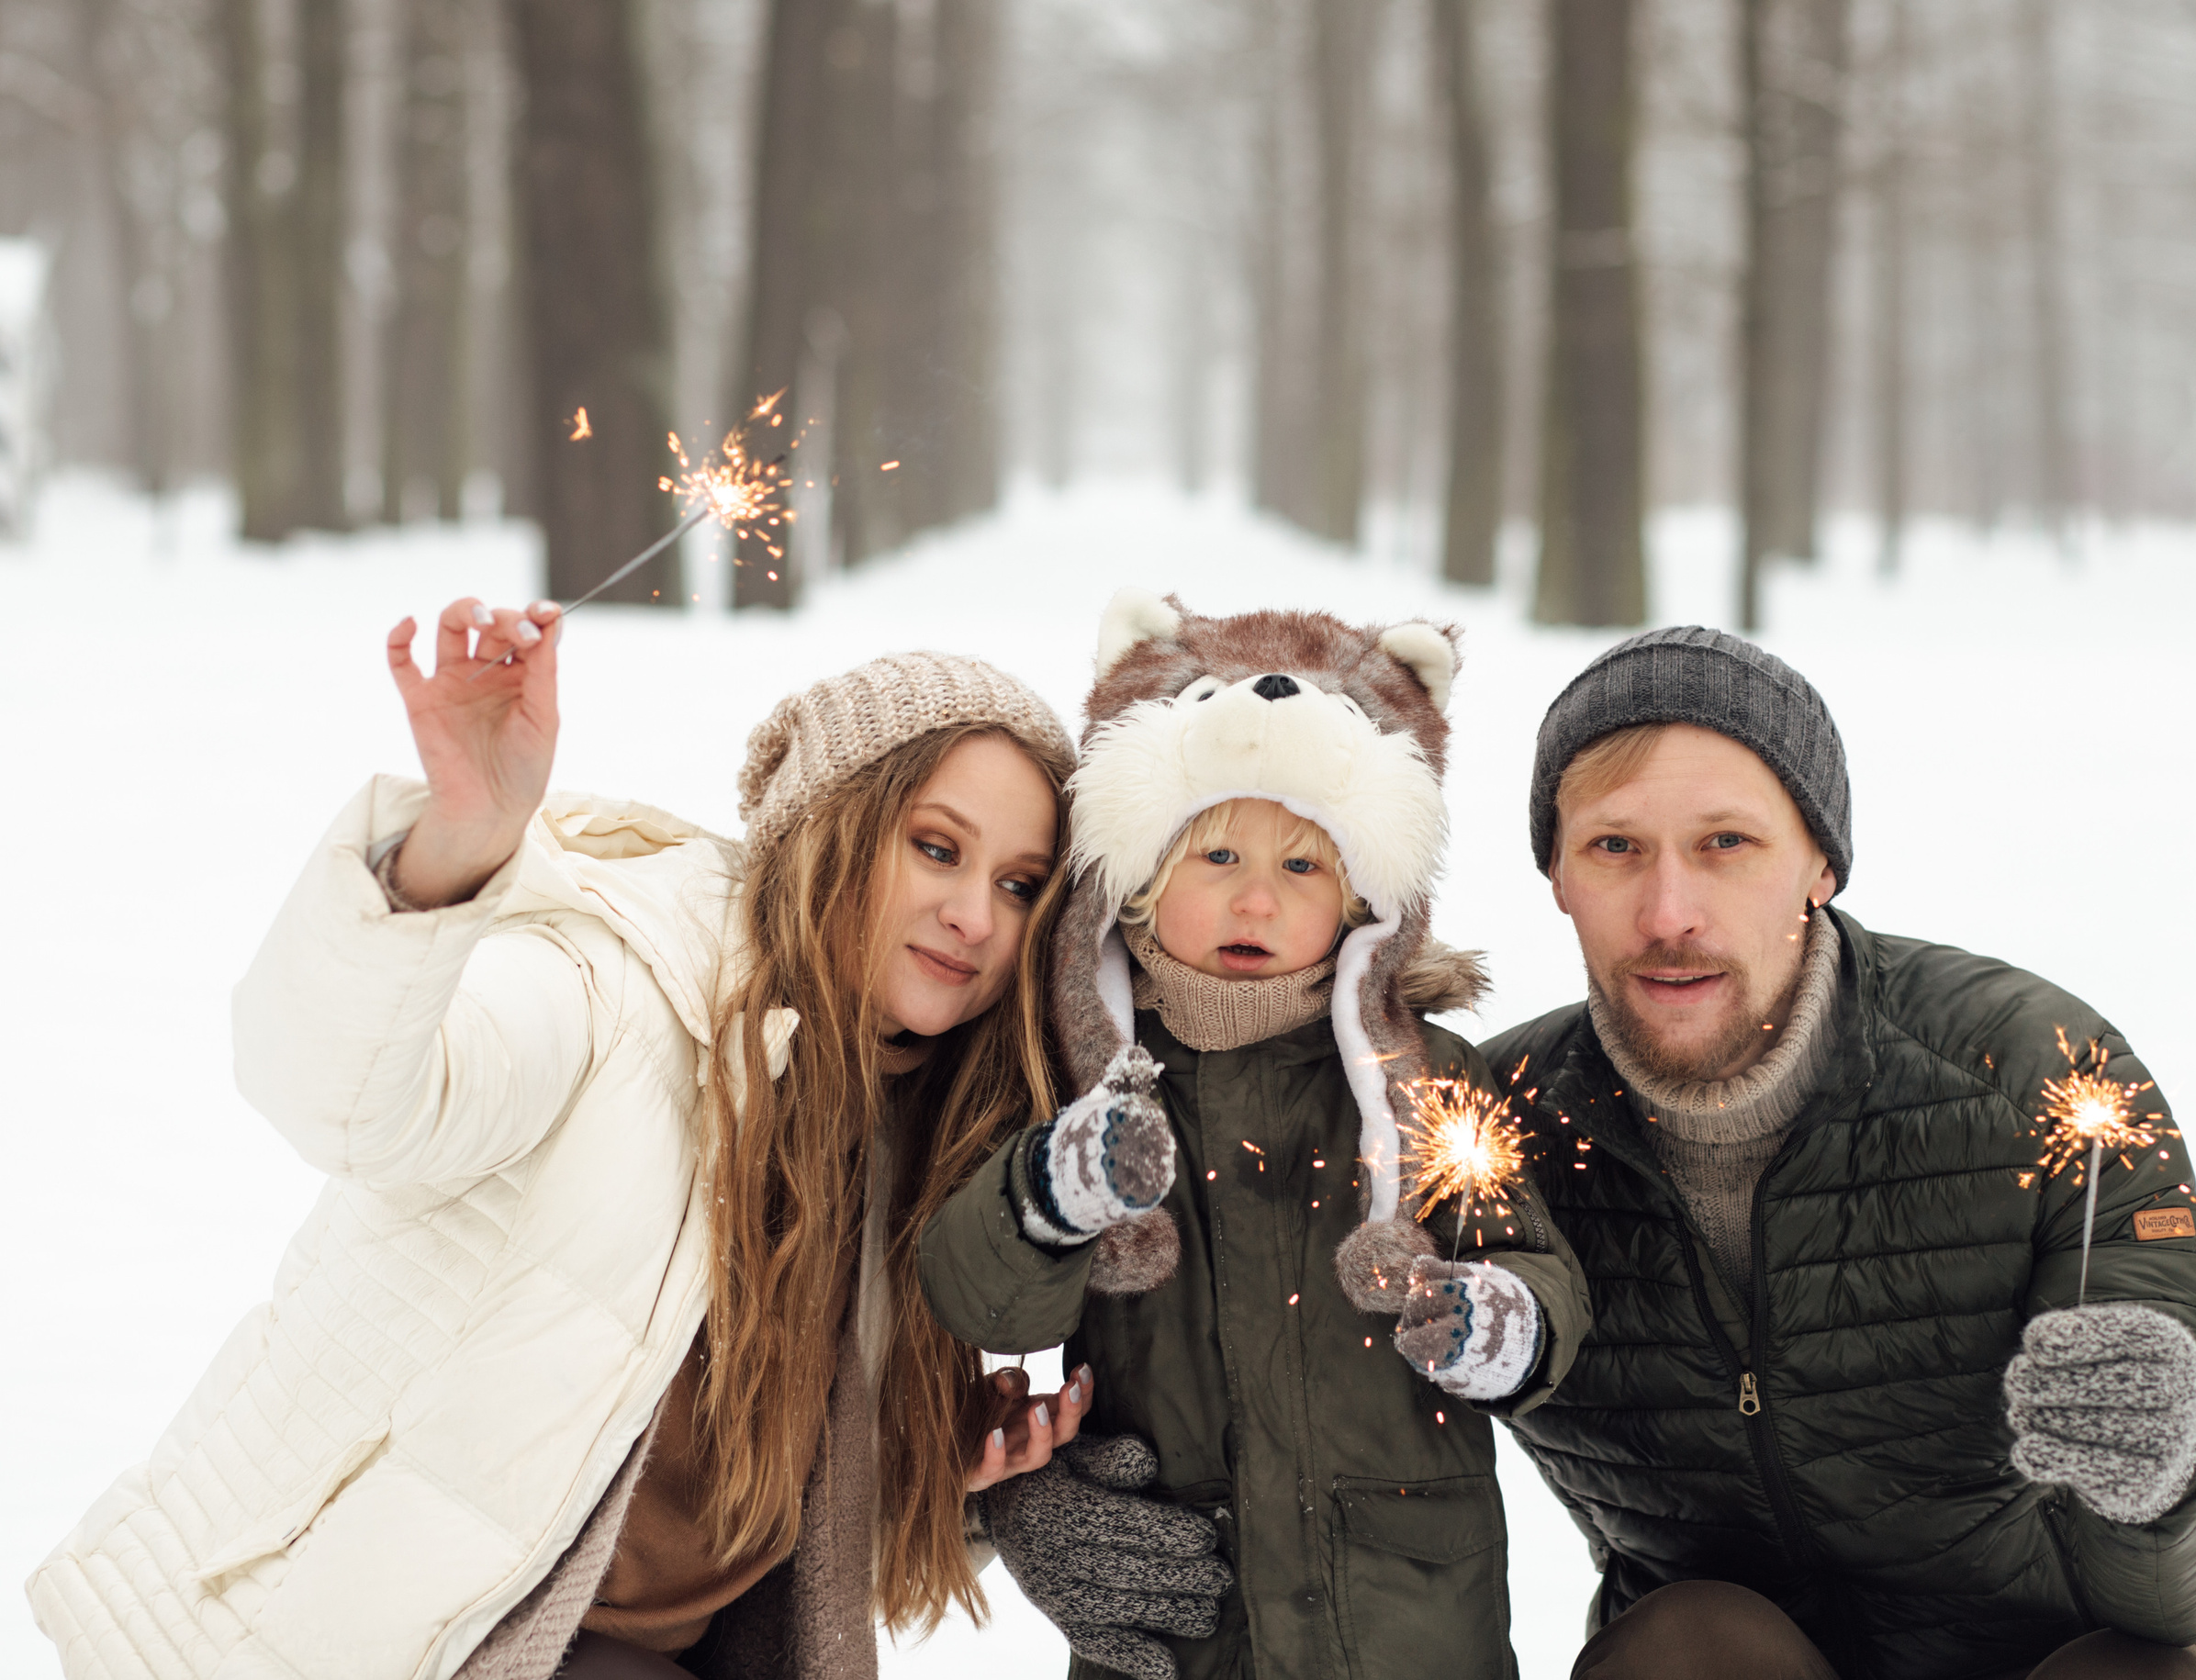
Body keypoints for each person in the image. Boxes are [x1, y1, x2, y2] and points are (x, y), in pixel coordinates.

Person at [28, 598, 1106, 1680]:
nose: (976, 914)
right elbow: (343, 1098)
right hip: (358, 1639)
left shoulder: (908, 1140)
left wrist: (925, 1469)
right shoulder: (618, 987)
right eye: (935, 848)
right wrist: (456, 842)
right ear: (832, 825)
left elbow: (704, 1520)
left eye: (1018, 885)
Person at [1479, 627, 2196, 1680]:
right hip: (1726, 1661)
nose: (1669, 914)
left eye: (1727, 843)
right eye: (1615, 847)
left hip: (2062, 1655)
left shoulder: (2038, 1074)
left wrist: (2160, 1483)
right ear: (1557, 875)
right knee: (1685, 1645)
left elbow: (2184, 1596)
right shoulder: (1487, 1136)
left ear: (1820, 864)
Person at [919, 593, 1590, 1680]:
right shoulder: (1085, 1083)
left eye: (1303, 867)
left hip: (1409, 1619)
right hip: (1183, 1613)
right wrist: (1050, 1193)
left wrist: (1500, 1320)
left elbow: (1535, 1263)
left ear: (1364, 898)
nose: (1257, 903)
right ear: (1138, 877)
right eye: (1217, 856)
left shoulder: (1424, 1081)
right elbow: (980, 1296)